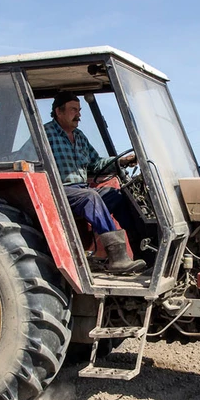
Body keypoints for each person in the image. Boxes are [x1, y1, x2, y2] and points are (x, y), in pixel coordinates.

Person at [45, 92, 146, 275]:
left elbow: (95, 163)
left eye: (79, 110)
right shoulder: (45, 134)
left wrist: (121, 161)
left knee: (116, 196)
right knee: (91, 196)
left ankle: (142, 250)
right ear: (58, 112)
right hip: (58, 191)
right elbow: (28, 160)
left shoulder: (80, 137)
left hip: (81, 190)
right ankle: (117, 258)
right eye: (73, 110)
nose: (78, 115)